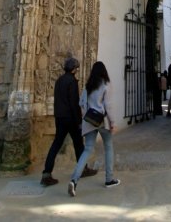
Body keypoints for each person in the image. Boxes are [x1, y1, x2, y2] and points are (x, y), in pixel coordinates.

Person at [41, 57, 97, 186]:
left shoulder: (59, 80)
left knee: (56, 144)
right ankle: (83, 169)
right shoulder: (72, 81)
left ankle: (46, 174)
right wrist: (78, 121)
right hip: (70, 118)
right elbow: (73, 103)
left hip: (59, 117)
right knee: (79, 143)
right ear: (74, 69)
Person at [68, 61, 120, 197]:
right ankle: (109, 179)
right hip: (102, 121)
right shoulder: (106, 84)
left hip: (90, 121)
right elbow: (108, 106)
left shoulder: (88, 86)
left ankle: (74, 180)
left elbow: (81, 103)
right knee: (108, 147)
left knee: (87, 149)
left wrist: (86, 116)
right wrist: (113, 122)